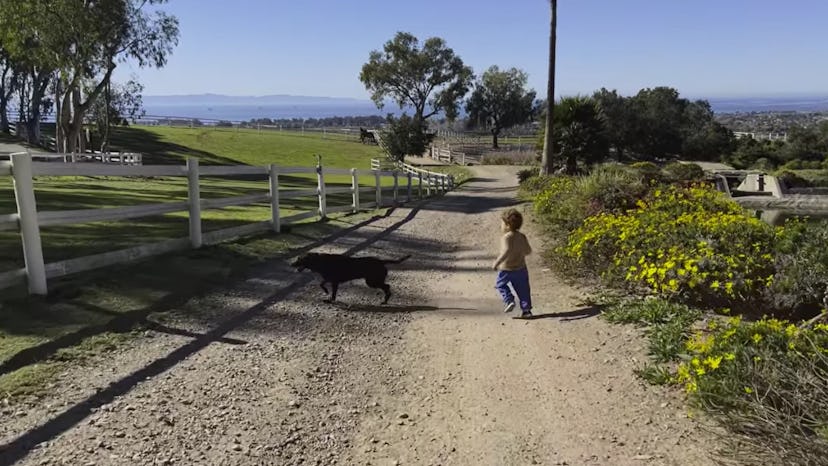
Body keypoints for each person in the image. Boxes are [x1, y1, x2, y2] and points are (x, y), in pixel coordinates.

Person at [492, 208, 533, 318]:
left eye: (501, 223)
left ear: (507, 225)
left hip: (507, 268)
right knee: (524, 290)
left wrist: (497, 262)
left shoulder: (506, 237)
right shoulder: (522, 236)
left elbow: (506, 251)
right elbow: (528, 251)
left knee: (500, 285)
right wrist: (520, 251)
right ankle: (526, 310)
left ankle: (509, 300)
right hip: (521, 268)